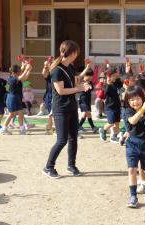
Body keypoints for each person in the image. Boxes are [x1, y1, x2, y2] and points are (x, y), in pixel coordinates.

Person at [42, 40, 90, 179]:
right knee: (62, 140)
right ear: (73, 53)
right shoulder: (56, 70)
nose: (77, 55)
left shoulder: (70, 67)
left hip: (71, 107)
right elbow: (61, 90)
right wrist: (79, 89)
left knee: (73, 138)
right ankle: (48, 167)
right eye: (77, 52)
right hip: (60, 109)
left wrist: (82, 84)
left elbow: (74, 83)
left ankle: (71, 165)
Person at [1, 64, 32, 135]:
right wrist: (26, 69)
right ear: (14, 73)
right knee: (11, 114)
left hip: (17, 97)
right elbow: (22, 77)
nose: (20, 72)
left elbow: (24, 77)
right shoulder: (11, 79)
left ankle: (22, 129)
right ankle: (4, 129)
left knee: (21, 113)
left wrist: (29, 70)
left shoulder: (17, 77)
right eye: (19, 72)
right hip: (12, 98)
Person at [99, 67, 121, 143]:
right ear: (109, 77)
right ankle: (103, 129)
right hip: (110, 107)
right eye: (114, 75)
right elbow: (104, 95)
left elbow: (121, 83)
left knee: (117, 122)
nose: (115, 77)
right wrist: (108, 83)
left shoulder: (116, 83)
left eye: (116, 75)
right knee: (111, 122)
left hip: (117, 106)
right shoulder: (106, 85)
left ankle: (114, 136)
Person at [78, 68, 98, 133]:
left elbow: (92, 89)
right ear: (84, 75)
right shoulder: (82, 83)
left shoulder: (90, 82)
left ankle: (79, 126)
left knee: (85, 114)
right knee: (88, 113)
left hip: (87, 100)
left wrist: (99, 88)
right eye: (88, 76)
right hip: (83, 100)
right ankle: (93, 127)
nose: (90, 77)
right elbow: (80, 89)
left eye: (91, 76)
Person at [41, 58, 55, 134]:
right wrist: (45, 66)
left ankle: (50, 128)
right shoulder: (49, 74)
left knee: (53, 113)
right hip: (50, 95)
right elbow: (44, 74)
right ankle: (51, 128)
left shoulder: (57, 72)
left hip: (56, 95)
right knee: (51, 113)